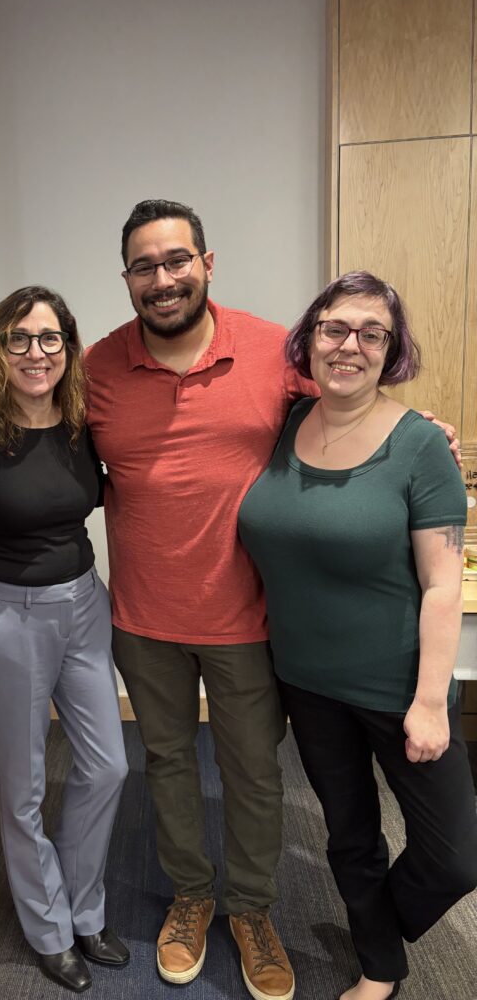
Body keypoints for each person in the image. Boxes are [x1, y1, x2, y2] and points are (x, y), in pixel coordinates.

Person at [84, 200, 458, 1000]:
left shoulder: (269, 351)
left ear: (207, 265)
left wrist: (423, 429)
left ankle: (251, 909)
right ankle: (191, 896)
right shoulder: (98, 369)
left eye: (177, 260)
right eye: (144, 267)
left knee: (255, 773)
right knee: (169, 761)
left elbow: (353, 402)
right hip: (143, 618)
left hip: (248, 620)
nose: (163, 279)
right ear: (127, 279)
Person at [238, 271, 477, 1000]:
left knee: (455, 857)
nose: (350, 345)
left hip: (401, 684)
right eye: (335, 328)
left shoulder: (419, 446)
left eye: (372, 333)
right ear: (309, 340)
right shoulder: (283, 426)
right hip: (307, 681)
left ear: (392, 350)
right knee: (349, 833)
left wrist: (431, 702)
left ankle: (377, 925)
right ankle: (380, 968)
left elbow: (443, 585)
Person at [0, 285, 129, 994]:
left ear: (68, 349)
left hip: (84, 604)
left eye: (50, 338)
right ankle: (48, 928)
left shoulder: (84, 422)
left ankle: (84, 909)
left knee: (108, 766)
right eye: (19, 338)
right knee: (20, 785)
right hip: (10, 615)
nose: (35, 352)